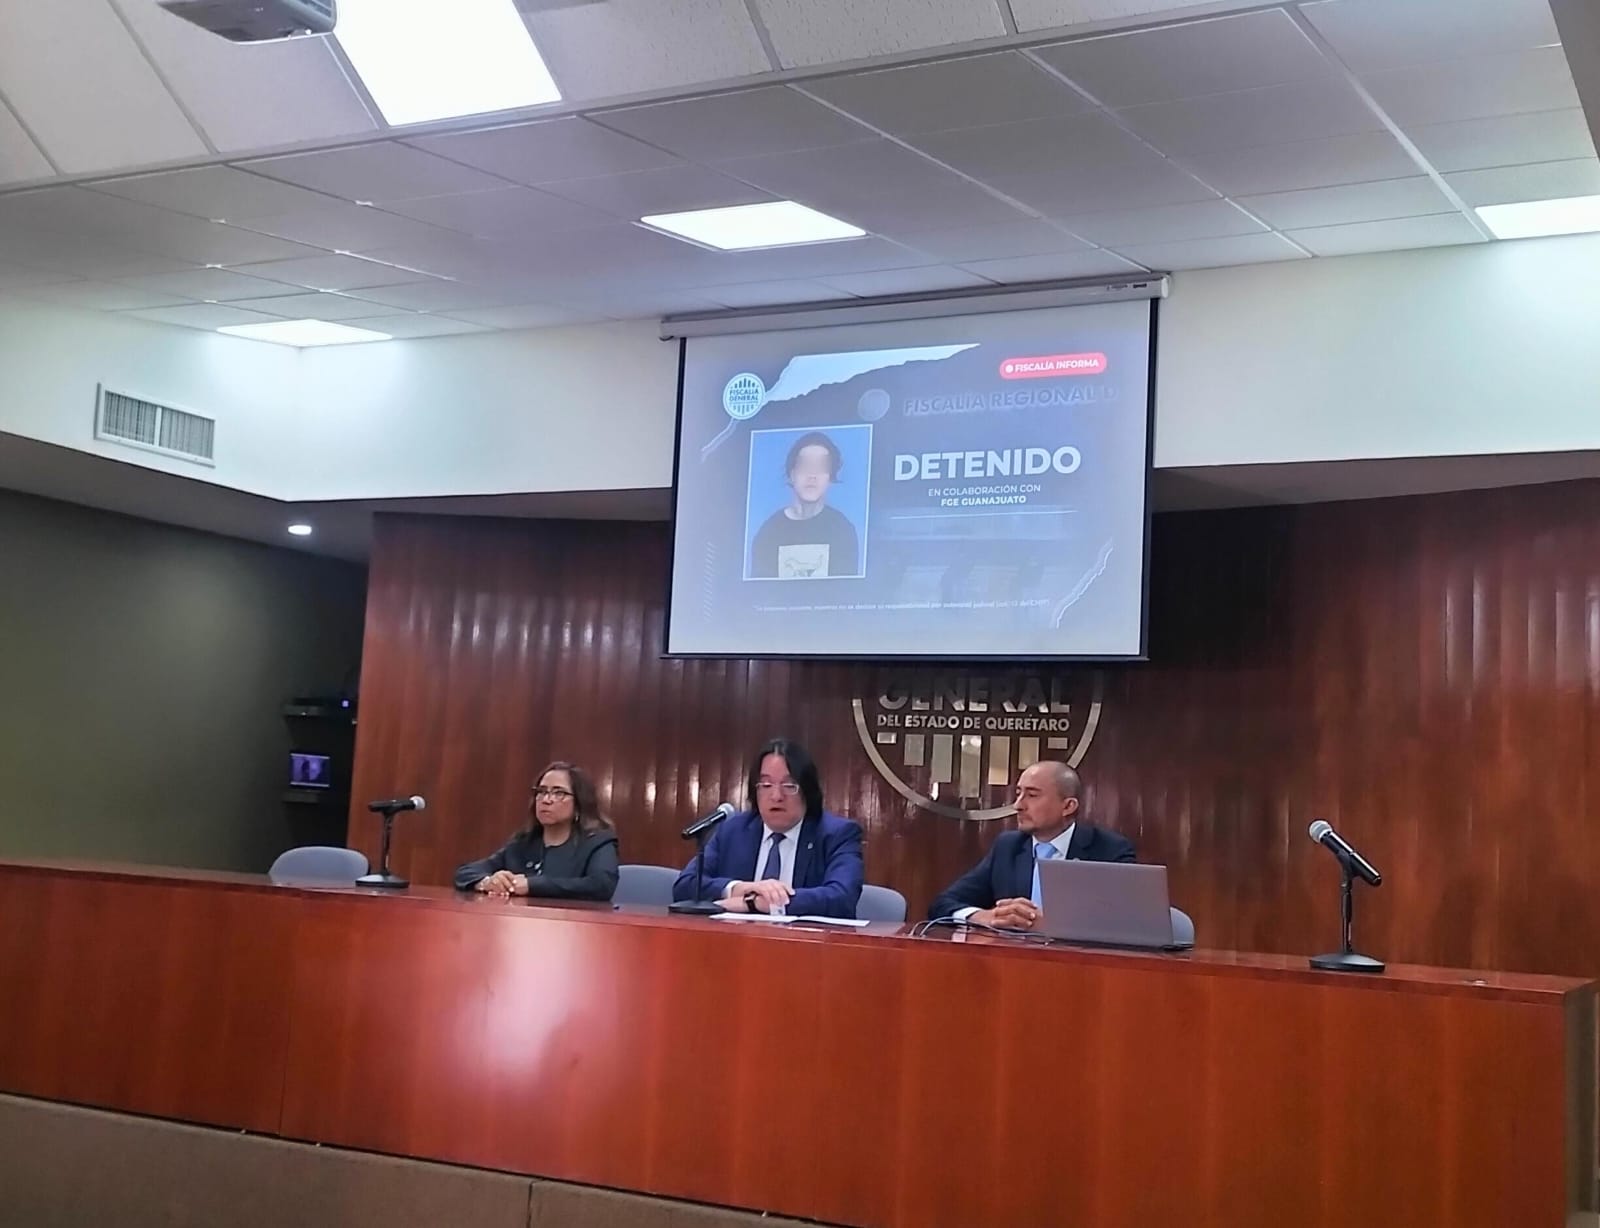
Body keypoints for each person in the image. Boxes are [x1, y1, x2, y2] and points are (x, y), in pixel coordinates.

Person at [927, 761, 1134, 928]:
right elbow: (942, 904)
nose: (1018, 805)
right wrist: (983, 916)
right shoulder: (1008, 847)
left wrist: (1052, 924)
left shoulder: (1110, 850)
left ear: (1068, 806)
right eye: (1018, 793)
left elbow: (1128, 922)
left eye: (1032, 795)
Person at [673, 738, 863, 918]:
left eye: (789, 785)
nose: (776, 796)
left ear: (807, 790)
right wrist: (740, 888)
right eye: (766, 785)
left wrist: (755, 902)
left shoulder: (837, 834)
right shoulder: (732, 831)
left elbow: (842, 898)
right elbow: (685, 886)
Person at [454, 761, 619, 901]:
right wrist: (487, 882)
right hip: (521, 923)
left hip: (573, 925)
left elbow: (601, 886)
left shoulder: (597, 842)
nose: (546, 800)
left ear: (579, 803)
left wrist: (531, 885)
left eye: (559, 793)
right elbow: (465, 872)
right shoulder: (523, 843)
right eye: (541, 792)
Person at [749, 431, 861, 580]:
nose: (812, 475)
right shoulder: (768, 533)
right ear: (792, 475)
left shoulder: (842, 529)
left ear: (830, 478)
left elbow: (847, 590)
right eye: (805, 465)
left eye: (821, 467)